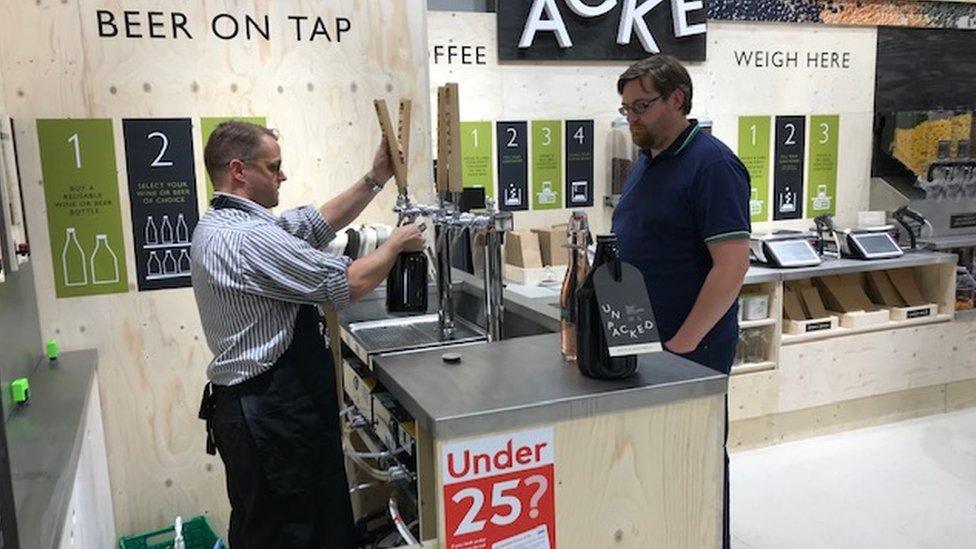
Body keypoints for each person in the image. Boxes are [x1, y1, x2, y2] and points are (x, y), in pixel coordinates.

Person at [191, 120, 425, 548]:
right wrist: (394, 245)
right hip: (269, 416)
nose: (283, 175)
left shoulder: (229, 224)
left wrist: (375, 179)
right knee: (295, 533)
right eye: (274, 166)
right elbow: (349, 284)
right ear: (239, 171)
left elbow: (312, 224)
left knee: (268, 526)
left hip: (257, 411)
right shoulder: (244, 239)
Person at [611, 55, 751, 549]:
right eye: (626, 109)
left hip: (689, 351)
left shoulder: (712, 164)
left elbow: (732, 265)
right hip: (650, 345)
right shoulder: (648, 161)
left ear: (678, 99)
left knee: (698, 461)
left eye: (642, 107)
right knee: (655, 464)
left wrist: (683, 343)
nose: (633, 118)